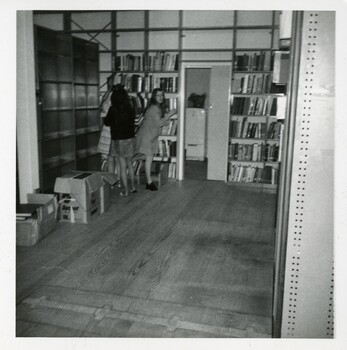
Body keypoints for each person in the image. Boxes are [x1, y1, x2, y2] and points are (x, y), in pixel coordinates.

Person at [135, 88, 177, 191]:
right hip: (147, 136)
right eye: (158, 95)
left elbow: (155, 122)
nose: (160, 97)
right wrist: (170, 114)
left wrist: (164, 121)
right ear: (154, 97)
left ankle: (147, 181)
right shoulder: (154, 108)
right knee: (148, 158)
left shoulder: (155, 107)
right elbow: (159, 123)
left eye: (162, 95)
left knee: (147, 157)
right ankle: (149, 182)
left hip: (150, 135)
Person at [104, 84, 137, 197]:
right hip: (130, 138)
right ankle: (132, 187)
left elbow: (107, 122)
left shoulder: (113, 109)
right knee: (130, 164)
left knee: (122, 166)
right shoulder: (131, 108)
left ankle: (125, 190)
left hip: (118, 140)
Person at [98, 75, 120, 179]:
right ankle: (115, 179)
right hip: (111, 131)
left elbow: (103, 102)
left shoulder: (112, 98)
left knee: (112, 158)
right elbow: (103, 101)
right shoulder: (112, 97)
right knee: (113, 158)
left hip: (111, 131)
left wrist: (110, 88)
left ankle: (114, 180)